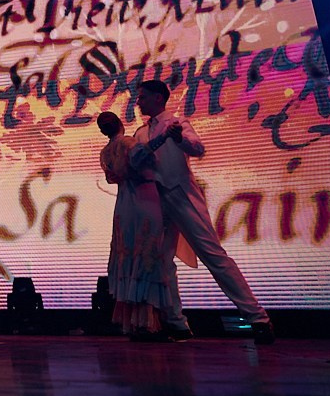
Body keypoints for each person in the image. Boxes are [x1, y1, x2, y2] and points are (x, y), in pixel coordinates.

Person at [130, 79, 275, 344]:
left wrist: (178, 138)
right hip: (157, 201)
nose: (138, 101)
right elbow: (136, 160)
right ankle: (176, 323)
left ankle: (258, 319)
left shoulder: (177, 123)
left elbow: (197, 148)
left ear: (158, 98)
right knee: (161, 261)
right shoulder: (141, 132)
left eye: (143, 96)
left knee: (213, 255)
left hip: (181, 195)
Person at [97, 111, 181, 340]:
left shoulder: (105, 152)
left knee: (130, 258)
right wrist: (165, 136)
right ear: (119, 123)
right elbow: (142, 155)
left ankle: (137, 322)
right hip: (144, 201)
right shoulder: (127, 142)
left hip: (125, 204)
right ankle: (146, 322)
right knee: (147, 257)